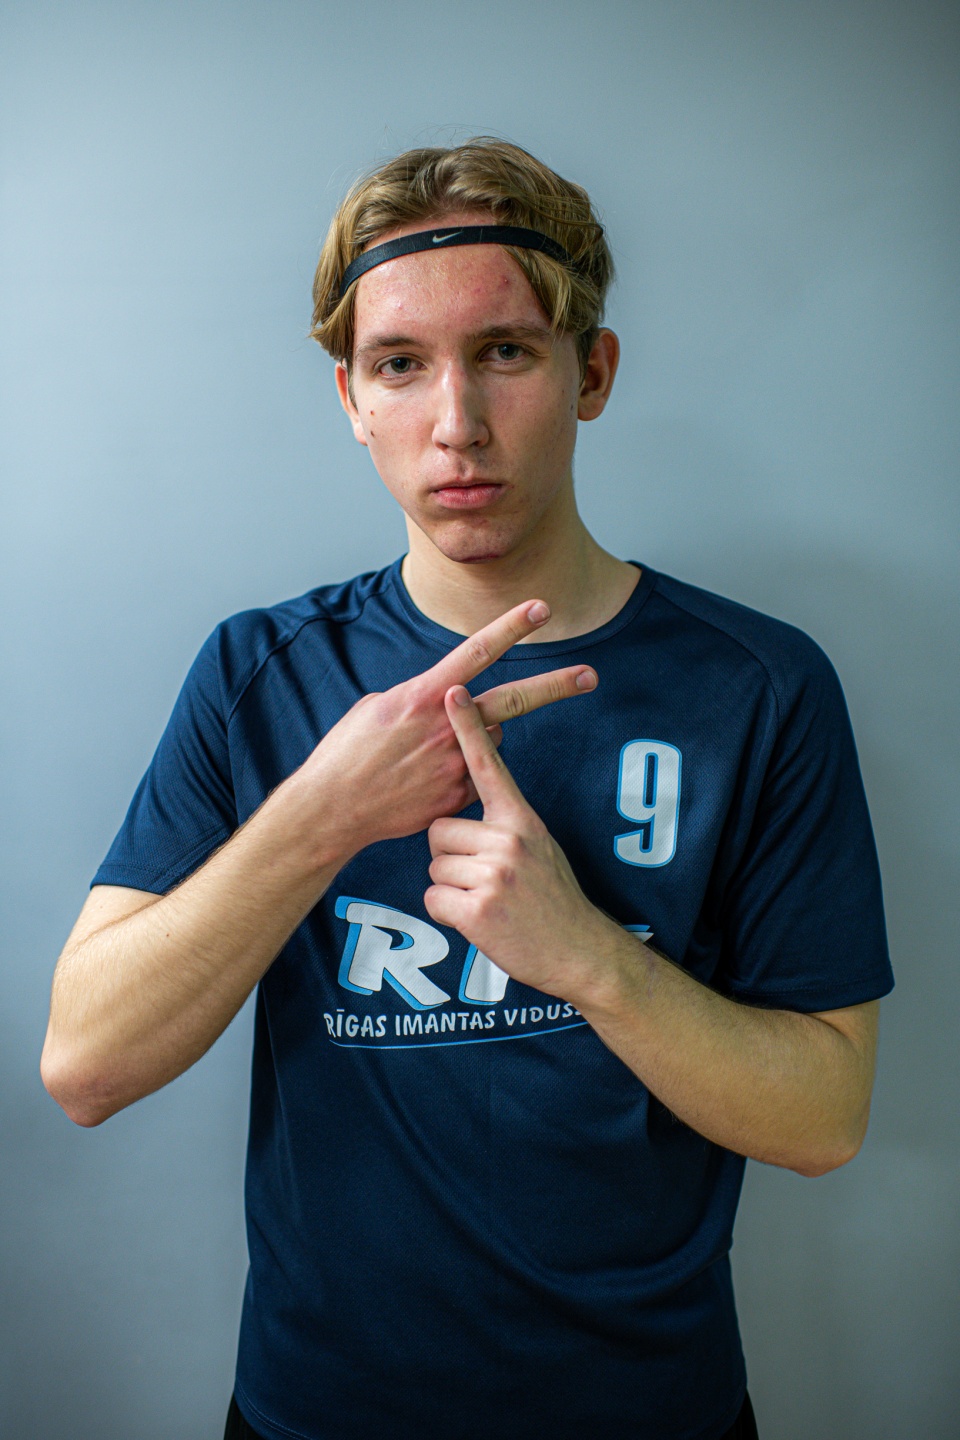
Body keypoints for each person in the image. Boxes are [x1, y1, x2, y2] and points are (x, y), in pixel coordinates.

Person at [41, 138, 893, 1440]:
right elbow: (86, 1066)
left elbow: (824, 1120)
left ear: (589, 372)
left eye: (504, 351)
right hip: (319, 1412)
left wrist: (585, 956)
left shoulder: (758, 685)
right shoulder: (259, 672)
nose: (457, 424)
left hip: (648, 1415)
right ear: (350, 395)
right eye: (400, 364)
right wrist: (321, 816)